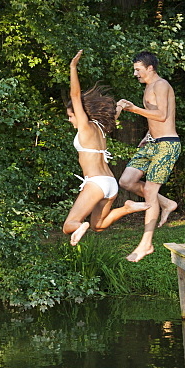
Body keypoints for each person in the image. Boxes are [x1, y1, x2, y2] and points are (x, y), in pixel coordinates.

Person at [63, 50, 149, 246]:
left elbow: (75, 95)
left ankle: (79, 226)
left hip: (96, 183)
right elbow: (113, 118)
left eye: (71, 115)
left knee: (69, 224)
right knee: (99, 225)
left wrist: (73, 68)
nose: (70, 119)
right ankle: (127, 207)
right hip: (110, 183)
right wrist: (119, 106)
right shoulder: (101, 128)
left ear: (81, 114)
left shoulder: (85, 127)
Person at [117, 51, 181, 262]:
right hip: (152, 143)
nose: (135, 73)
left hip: (167, 145)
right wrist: (147, 134)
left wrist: (134, 109)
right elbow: (157, 120)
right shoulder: (148, 87)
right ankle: (166, 203)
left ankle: (146, 244)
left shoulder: (161, 85)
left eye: (138, 69)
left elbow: (163, 115)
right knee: (126, 181)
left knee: (151, 192)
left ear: (150, 68)